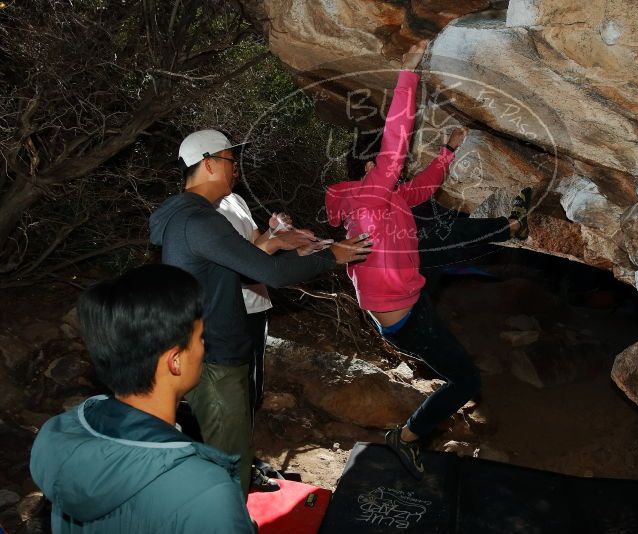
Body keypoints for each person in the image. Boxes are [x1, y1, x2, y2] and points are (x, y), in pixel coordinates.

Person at [325, 41, 533, 479]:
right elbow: (396, 142)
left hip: (409, 303)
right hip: (406, 320)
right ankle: (405, 437)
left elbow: (418, 189)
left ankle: (506, 230)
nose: (393, 172)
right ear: (367, 169)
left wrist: (448, 152)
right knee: (466, 382)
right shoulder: (368, 196)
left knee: (432, 232)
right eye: (383, 167)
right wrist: (408, 74)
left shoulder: (385, 197)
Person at [149, 130, 371, 495]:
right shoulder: (199, 221)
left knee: (219, 451)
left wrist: (285, 246)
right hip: (215, 357)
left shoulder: (190, 216)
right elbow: (273, 275)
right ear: (208, 164)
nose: (236, 170)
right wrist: (332, 255)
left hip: (204, 349)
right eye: (230, 161)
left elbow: (241, 265)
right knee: (230, 468)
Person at [30, 265, 255, 533]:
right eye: (201, 338)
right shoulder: (206, 491)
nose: (204, 348)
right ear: (175, 361)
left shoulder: (63, 436)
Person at [215, 193, 293, 421]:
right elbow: (237, 262)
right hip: (231, 308)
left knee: (253, 388)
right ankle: (225, 452)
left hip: (257, 305)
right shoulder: (202, 208)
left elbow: (254, 248)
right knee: (232, 392)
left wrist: (274, 231)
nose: (235, 167)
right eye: (228, 159)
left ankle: (241, 448)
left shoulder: (235, 199)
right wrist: (278, 240)